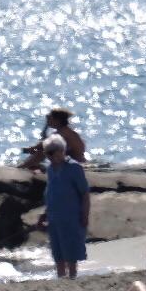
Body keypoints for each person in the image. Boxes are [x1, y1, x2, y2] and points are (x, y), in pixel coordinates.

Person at [41, 136, 90, 279]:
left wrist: (84, 215)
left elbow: (85, 193)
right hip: (54, 216)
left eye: (52, 152)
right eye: (47, 153)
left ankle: (73, 276)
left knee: (71, 251)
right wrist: (44, 215)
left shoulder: (74, 168)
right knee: (57, 252)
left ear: (62, 151)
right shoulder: (50, 169)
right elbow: (51, 194)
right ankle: (61, 277)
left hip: (71, 216)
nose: (49, 156)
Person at [20, 108, 86, 170]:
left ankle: (22, 167)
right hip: (69, 161)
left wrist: (31, 149)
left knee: (42, 152)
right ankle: (27, 166)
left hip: (76, 163)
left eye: (50, 118)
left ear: (57, 120)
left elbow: (45, 144)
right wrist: (45, 129)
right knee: (42, 151)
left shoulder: (64, 132)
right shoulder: (63, 131)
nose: (48, 120)